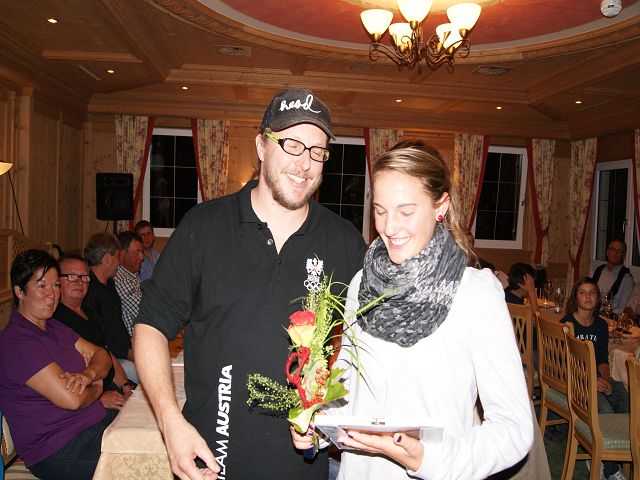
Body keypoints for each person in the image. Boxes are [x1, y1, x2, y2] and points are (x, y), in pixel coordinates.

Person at [134, 87, 366, 480]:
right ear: (261, 146)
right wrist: (170, 422)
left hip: (301, 469)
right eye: (292, 144)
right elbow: (150, 326)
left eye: (317, 151)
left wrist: (330, 413)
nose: (305, 163)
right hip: (210, 460)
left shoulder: (344, 242)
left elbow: (367, 349)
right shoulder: (204, 227)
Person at [293, 145, 533, 479]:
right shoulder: (362, 283)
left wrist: (427, 460)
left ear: (441, 207)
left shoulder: (476, 293)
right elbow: (347, 386)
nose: (389, 227)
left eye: (405, 212)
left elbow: (514, 430)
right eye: (380, 211)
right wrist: (318, 426)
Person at [0, 249, 115, 479]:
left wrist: (89, 375)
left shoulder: (54, 327)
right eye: (42, 286)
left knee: (156, 437)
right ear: (19, 291)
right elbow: (73, 400)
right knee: (142, 464)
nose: (52, 295)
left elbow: (102, 355)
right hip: (58, 449)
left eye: (55, 286)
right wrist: (98, 386)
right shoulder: (17, 342)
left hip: (93, 424)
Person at [561, 277, 628, 480]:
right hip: (576, 381)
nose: (588, 296)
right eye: (582, 292)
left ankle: (618, 450)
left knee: (623, 394)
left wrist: (606, 381)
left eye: (592, 293)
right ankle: (609, 467)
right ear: (575, 298)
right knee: (605, 409)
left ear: (598, 298)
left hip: (596, 378)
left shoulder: (600, 325)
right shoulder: (567, 324)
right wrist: (590, 381)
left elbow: (602, 360)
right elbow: (566, 364)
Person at [54, 254, 133, 410]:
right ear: (57, 281)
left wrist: (125, 385)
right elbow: (63, 374)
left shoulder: (90, 312)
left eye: (84, 277)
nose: (79, 282)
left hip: (110, 386)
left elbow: (107, 352)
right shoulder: (55, 320)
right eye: (72, 276)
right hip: (87, 397)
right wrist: (98, 398)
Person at [83, 232, 138, 383]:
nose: (119, 264)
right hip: (111, 359)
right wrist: (134, 355)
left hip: (124, 352)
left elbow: (117, 327)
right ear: (107, 259)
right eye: (117, 258)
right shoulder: (89, 291)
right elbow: (105, 339)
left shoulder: (109, 285)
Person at [592, 239, 634, 314]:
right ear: (607, 252)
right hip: (591, 311)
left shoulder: (627, 278)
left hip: (609, 316)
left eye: (619, 251)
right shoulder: (599, 270)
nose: (615, 253)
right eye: (613, 249)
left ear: (623, 255)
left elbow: (623, 308)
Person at [114, 231, 144, 336]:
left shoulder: (132, 275)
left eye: (142, 252)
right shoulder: (122, 280)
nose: (142, 257)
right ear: (122, 254)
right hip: (135, 341)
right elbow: (146, 314)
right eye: (137, 252)